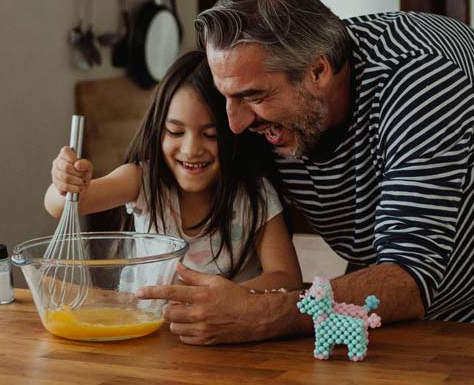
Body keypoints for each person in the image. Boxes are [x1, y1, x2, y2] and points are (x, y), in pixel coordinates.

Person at [139, 0, 474, 345]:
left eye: (254, 97)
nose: (236, 122)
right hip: (406, 318)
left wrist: (264, 315)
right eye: (227, 95)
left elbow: (409, 277)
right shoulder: (274, 94)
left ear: (318, 70)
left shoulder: (423, 81)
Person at [46, 50, 302, 293]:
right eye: (176, 132)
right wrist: (67, 181)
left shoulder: (255, 196)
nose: (191, 149)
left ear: (234, 135)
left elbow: (287, 279)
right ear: (158, 131)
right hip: (149, 328)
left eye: (210, 135)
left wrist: (226, 298)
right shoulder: (142, 182)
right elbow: (60, 206)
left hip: (228, 333)